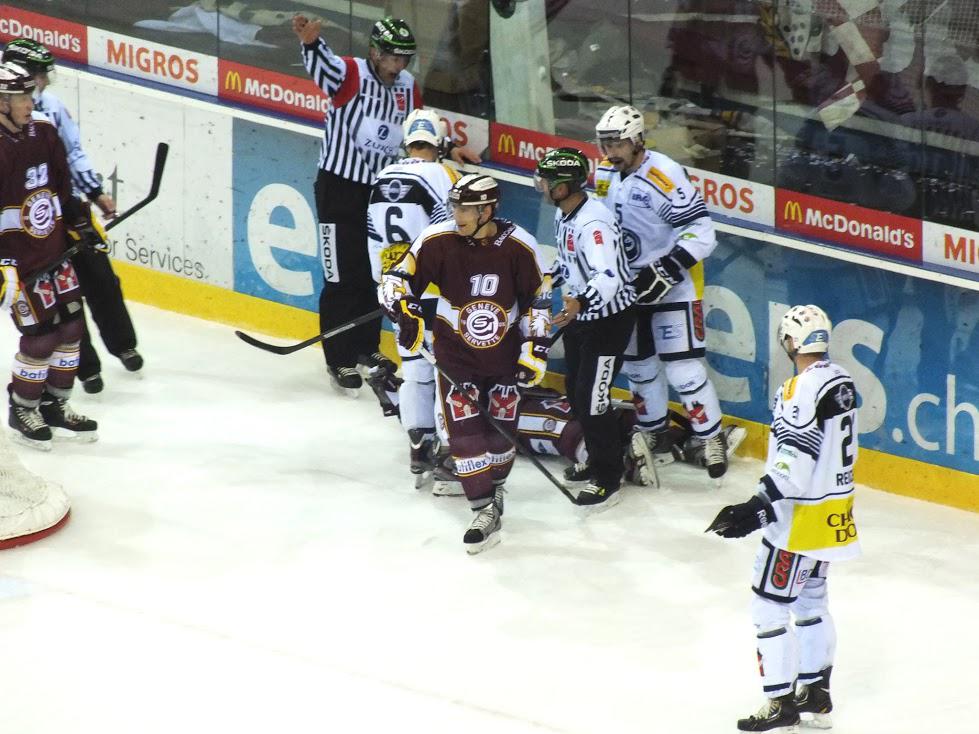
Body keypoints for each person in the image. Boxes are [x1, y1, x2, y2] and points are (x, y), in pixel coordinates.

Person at [292, 13, 479, 394]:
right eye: (393, 57)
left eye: (405, 58)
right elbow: (323, 66)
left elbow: (418, 127)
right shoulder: (351, 72)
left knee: (374, 272)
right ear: (375, 52)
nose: (399, 65)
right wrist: (310, 43)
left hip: (378, 191)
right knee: (341, 275)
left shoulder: (407, 86)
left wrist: (449, 148)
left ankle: (366, 347)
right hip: (338, 188)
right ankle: (338, 357)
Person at [707, 305, 859, 732]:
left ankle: (780, 703)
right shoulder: (842, 379)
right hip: (834, 516)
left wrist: (759, 505)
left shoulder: (799, 389)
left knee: (769, 607)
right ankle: (815, 695)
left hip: (799, 521)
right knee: (812, 602)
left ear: (791, 342)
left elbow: (795, 462)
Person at [387, 173, 548, 553]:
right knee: (464, 434)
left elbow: (538, 301)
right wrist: (404, 309)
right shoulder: (437, 240)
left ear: (487, 211)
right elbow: (395, 280)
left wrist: (535, 348)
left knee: (501, 437)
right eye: (455, 207)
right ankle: (483, 509)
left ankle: (494, 491)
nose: (456, 215)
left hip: (504, 356)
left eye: (465, 209)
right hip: (455, 356)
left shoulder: (520, 245)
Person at [593, 104, 730, 480]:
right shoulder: (604, 171)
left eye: (618, 144)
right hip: (629, 287)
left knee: (683, 370)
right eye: (605, 144)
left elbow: (702, 231)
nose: (610, 151)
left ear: (637, 140)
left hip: (674, 285)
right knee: (638, 368)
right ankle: (654, 433)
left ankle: (711, 437)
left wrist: (668, 267)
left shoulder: (664, 174)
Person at [2, 38, 143, 395]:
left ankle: (123, 344)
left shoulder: (49, 109)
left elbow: (73, 154)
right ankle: (86, 368)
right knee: (60, 303)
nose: (42, 83)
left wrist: (93, 194)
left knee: (99, 277)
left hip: (62, 208)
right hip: (27, 227)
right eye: (38, 75)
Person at [0, 62, 104, 449]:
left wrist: (82, 223)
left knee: (72, 326)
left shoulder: (43, 130)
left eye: (30, 95)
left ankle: (55, 404)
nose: (30, 103)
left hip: (53, 251)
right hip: (17, 263)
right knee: (40, 336)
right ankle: (23, 408)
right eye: (21, 98)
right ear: (1, 102)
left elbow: (61, 188)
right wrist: (3, 265)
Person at [537, 147, 637, 507]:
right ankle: (603, 453)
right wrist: (545, 280)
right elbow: (568, 262)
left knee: (593, 397)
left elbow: (608, 277)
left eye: (546, 181)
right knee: (577, 392)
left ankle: (609, 477)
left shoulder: (593, 223)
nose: (541, 187)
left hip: (609, 320)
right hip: (582, 316)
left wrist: (581, 301)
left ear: (563, 187)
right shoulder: (564, 214)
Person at [372, 108, 460, 493]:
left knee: (414, 370)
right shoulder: (444, 175)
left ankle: (419, 447)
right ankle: (448, 456)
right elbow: (456, 229)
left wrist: (386, 286)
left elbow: (374, 238)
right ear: (439, 142)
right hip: (435, 292)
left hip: (397, 289)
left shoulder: (382, 178)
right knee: (445, 370)